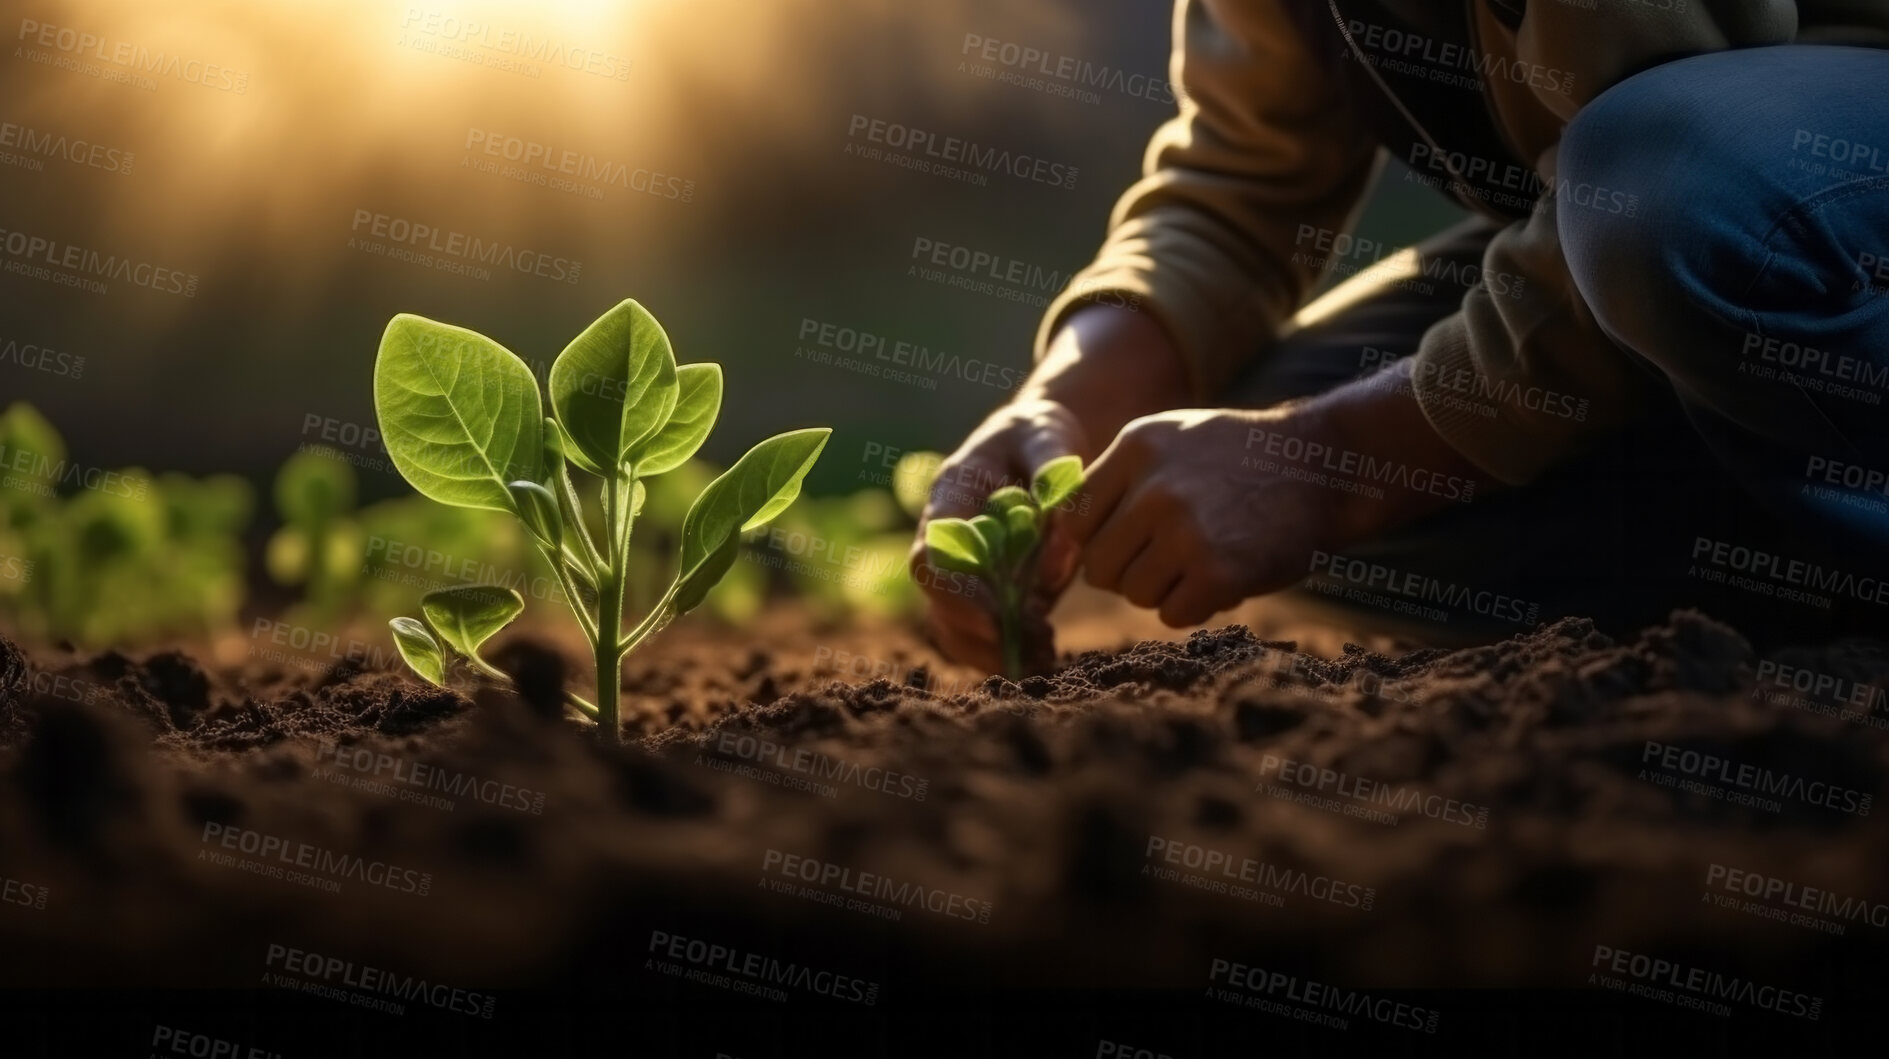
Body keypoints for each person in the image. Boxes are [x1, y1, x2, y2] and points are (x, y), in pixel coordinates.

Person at [912, 1, 1889, 673]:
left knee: (1671, 184)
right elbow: (1238, 189)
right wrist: (1061, 400)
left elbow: (1665, 172)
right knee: (1229, 441)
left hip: (1807, 169)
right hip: (1643, 233)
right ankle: (1800, 540)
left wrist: (1325, 469)